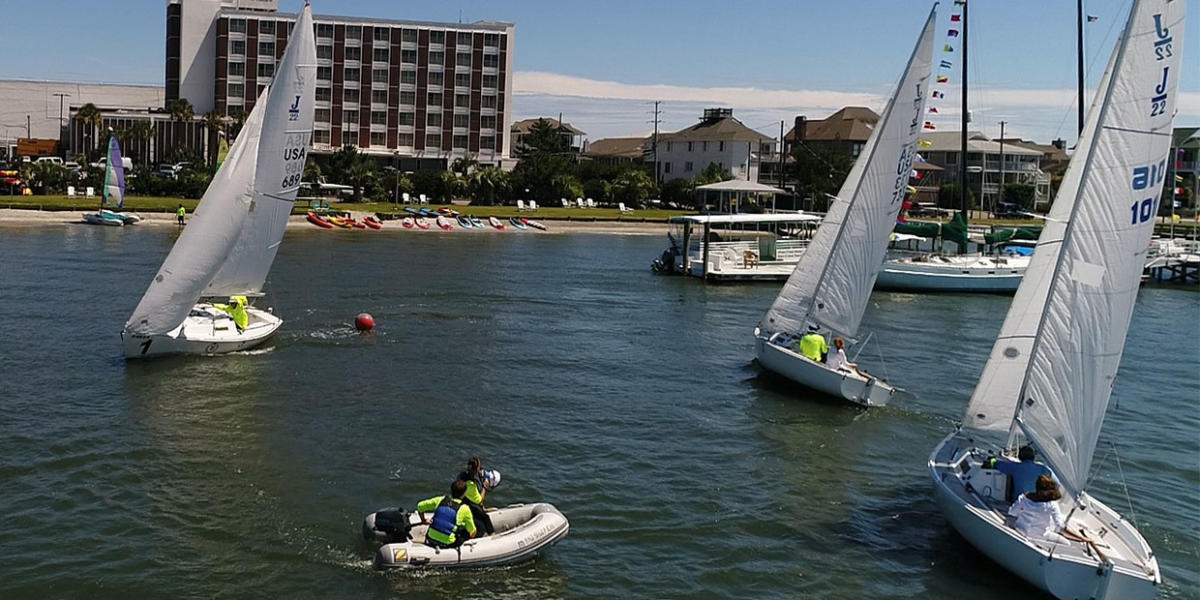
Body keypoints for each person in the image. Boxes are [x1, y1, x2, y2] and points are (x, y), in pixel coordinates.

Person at [1008, 474, 1095, 545]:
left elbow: (1012, 512)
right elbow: (1060, 527)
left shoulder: (1023, 498)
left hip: (1020, 531)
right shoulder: (1052, 505)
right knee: (1067, 543)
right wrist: (1082, 538)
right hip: (1040, 536)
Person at [416, 479, 477, 549]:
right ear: (464, 493)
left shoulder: (441, 500)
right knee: (465, 532)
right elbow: (472, 531)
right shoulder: (465, 509)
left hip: (430, 539)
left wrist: (423, 520)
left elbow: (420, 506)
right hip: (447, 544)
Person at [457, 456, 495, 535]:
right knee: (482, 525)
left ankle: (491, 535)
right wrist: (484, 487)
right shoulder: (470, 484)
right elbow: (479, 501)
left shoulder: (462, 475)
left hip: (463, 502)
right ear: (476, 469)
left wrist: (483, 509)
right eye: (479, 467)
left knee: (484, 517)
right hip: (463, 506)